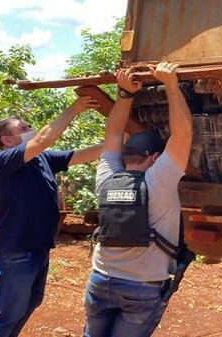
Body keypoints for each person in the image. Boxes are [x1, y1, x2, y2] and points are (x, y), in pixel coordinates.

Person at [83, 62, 192, 337]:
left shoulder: (107, 178)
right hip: (140, 288)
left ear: (126, 155)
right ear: (155, 158)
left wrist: (125, 94)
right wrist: (170, 83)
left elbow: (112, 133)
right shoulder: (160, 181)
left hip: (100, 280)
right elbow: (183, 134)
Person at [0, 96, 102, 337]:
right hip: (15, 250)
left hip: (37, 247)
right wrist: (75, 107)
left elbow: (82, 155)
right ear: (6, 140)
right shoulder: (2, 161)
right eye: (23, 129)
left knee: (29, 304)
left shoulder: (42, 159)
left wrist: (118, 141)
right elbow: (43, 139)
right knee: (7, 314)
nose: (31, 130)